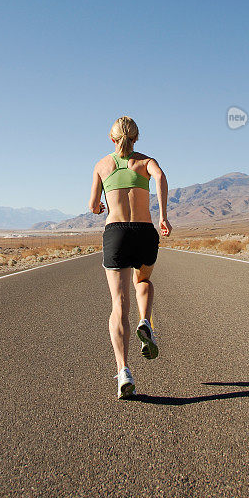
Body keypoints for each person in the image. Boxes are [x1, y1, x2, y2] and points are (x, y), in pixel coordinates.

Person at [89, 116, 172, 398]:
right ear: (137, 138)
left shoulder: (101, 165)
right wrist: (163, 216)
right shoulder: (147, 162)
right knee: (144, 280)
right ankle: (145, 322)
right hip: (145, 230)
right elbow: (161, 177)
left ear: (112, 139)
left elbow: (92, 207)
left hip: (116, 232)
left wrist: (101, 206)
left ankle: (123, 370)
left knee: (118, 303)